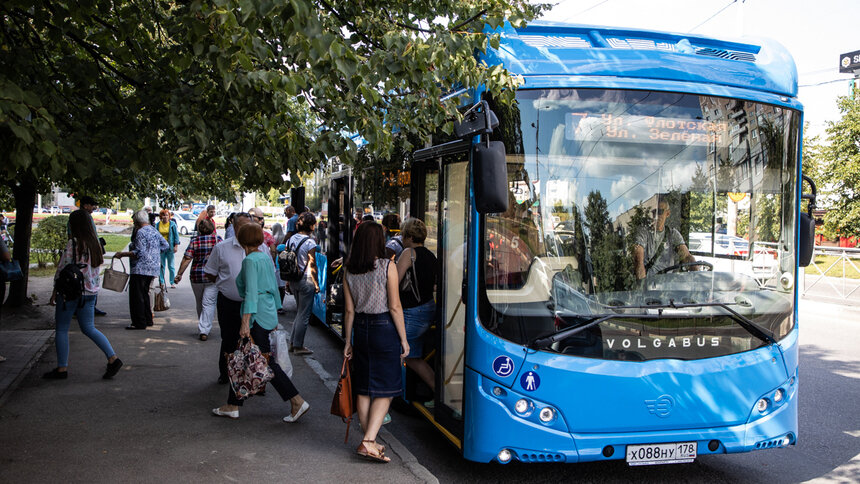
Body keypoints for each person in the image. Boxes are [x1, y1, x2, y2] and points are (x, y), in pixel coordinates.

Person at [211, 223, 310, 422]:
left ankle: (296, 400)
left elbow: (250, 293)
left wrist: (245, 322)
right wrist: (274, 311)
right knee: (249, 356)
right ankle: (233, 404)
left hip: (255, 315)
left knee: (262, 360)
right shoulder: (264, 257)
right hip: (266, 313)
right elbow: (273, 286)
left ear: (242, 240)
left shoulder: (250, 261)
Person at [342, 222, 409, 463]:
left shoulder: (348, 270)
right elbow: (394, 306)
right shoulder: (387, 266)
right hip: (383, 329)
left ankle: (367, 437)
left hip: (360, 328)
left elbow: (349, 311)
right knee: (386, 386)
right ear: (379, 241)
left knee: (363, 384)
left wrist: (347, 340)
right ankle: (368, 440)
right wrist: (403, 338)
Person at [43, 210, 122, 380]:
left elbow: (62, 269)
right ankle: (112, 358)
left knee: (62, 329)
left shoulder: (74, 243)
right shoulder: (96, 244)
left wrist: (54, 291)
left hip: (71, 292)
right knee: (89, 328)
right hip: (90, 292)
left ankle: (62, 369)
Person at [203, 212, 270, 384]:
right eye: (241, 226)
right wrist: (225, 285)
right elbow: (211, 273)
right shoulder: (222, 247)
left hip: (255, 305)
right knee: (229, 339)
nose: (245, 230)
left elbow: (269, 276)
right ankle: (226, 375)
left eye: (249, 225)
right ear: (233, 227)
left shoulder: (262, 248)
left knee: (257, 342)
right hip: (229, 303)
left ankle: (257, 378)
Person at [396, 218, 437, 392]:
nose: (402, 239)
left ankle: (387, 397)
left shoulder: (408, 254)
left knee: (398, 353)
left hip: (412, 312)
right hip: (427, 308)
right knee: (413, 357)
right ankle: (438, 392)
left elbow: (394, 281)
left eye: (404, 236)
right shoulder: (430, 255)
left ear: (410, 237)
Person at [116, 210, 169, 329]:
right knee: (145, 294)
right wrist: (154, 252)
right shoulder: (153, 230)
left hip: (140, 268)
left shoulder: (140, 232)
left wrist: (122, 254)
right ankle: (148, 319)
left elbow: (138, 252)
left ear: (137, 221)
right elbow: (166, 245)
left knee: (137, 296)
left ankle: (139, 322)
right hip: (153, 267)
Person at [174, 219, 222, 340]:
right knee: (209, 303)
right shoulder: (218, 240)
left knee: (200, 302)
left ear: (199, 229)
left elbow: (187, 258)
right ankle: (204, 328)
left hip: (196, 276)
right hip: (212, 276)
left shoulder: (195, 241)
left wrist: (179, 274)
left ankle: (203, 327)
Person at [633, 197, 697, 279]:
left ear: (667, 213)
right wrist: (642, 285)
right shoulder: (643, 233)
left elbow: (686, 257)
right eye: (654, 212)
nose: (656, 216)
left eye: (660, 212)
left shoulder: (673, 234)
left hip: (667, 284)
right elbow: (638, 260)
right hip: (649, 282)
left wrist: (696, 274)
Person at [286, 212, 320, 355]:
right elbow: (312, 264)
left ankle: (293, 343)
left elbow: (287, 260)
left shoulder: (291, 239)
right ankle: (298, 346)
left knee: (299, 313)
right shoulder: (310, 242)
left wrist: (287, 281)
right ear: (311, 226)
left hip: (293, 279)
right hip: (306, 281)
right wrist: (316, 284)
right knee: (304, 315)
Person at [155, 209, 181, 288]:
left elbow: (176, 236)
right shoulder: (157, 225)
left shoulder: (172, 224)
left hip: (170, 247)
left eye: (167, 215)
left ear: (169, 216)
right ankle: (161, 282)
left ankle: (172, 282)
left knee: (171, 266)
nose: (165, 217)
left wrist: (176, 246)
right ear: (161, 216)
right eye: (163, 215)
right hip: (161, 248)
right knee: (161, 266)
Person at [270, 222, 288, 314]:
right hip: (283, 263)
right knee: (282, 287)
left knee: (277, 287)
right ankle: (280, 304)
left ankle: (276, 305)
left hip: (276, 264)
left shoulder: (274, 238)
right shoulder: (284, 236)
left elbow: (272, 251)